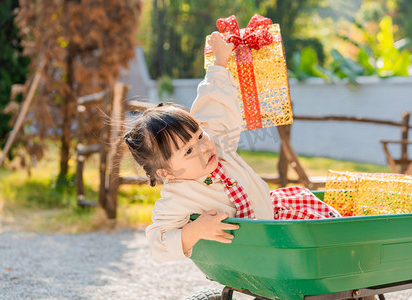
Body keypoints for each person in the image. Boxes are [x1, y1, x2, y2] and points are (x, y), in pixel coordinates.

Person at [124, 32, 341, 261]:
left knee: (320, 223)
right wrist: (194, 231)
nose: (203, 147)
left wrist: (219, 62)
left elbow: (212, 102)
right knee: (308, 249)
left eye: (199, 135)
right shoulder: (178, 196)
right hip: (249, 248)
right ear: (166, 172)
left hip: (272, 218)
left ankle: (343, 251)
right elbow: (158, 243)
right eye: (187, 151)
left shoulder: (218, 144)